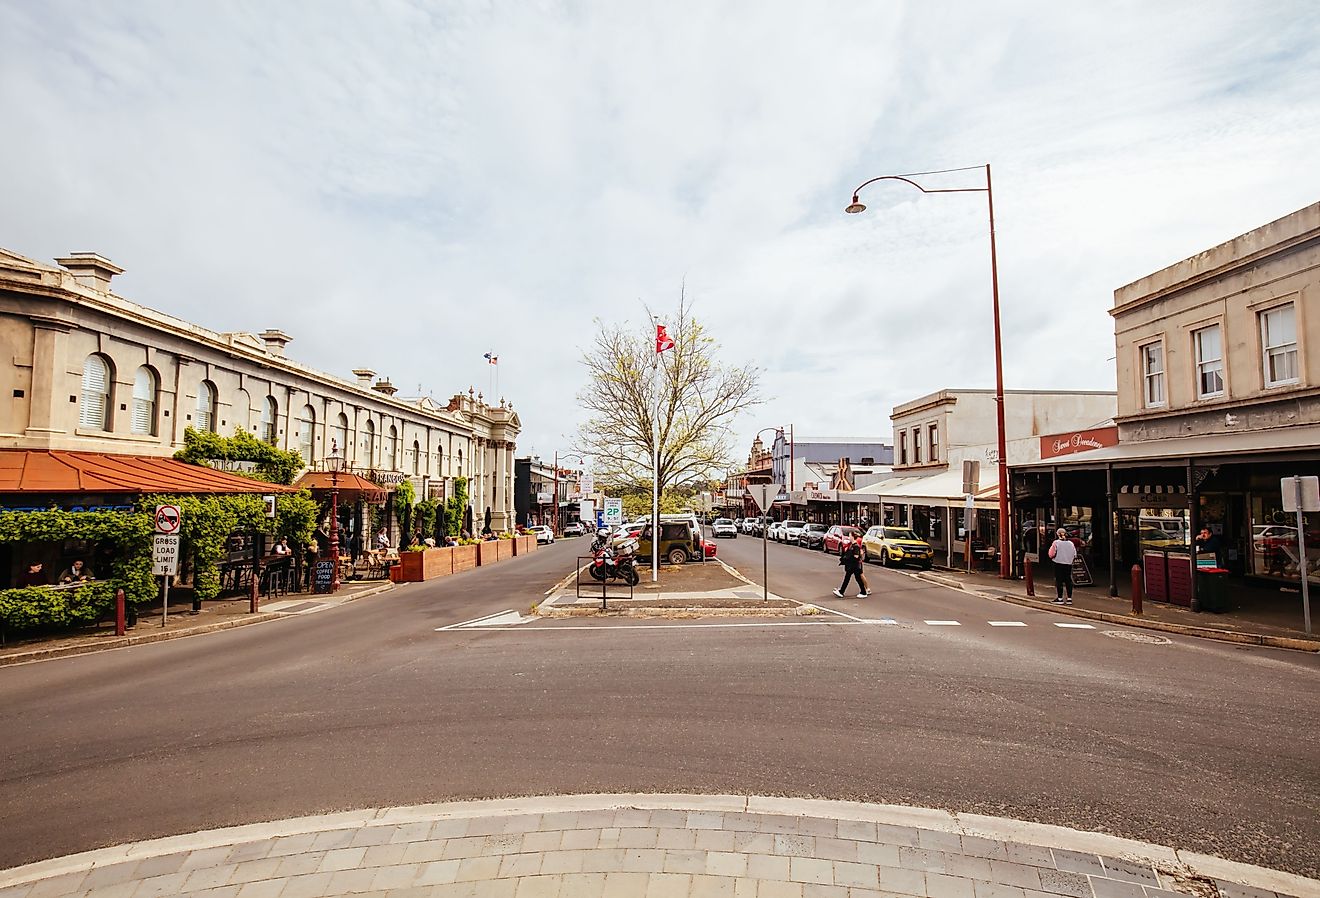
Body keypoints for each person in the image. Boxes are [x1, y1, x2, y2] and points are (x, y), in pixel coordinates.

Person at [1048, 527, 1077, 604]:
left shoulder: (1056, 543)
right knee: (1068, 580)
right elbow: (1074, 554)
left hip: (1058, 563)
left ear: (1057, 534)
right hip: (1068, 564)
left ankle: (1060, 598)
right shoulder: (1071, 543)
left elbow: (1051, 554)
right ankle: (1069, 598)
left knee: (1059, 581)